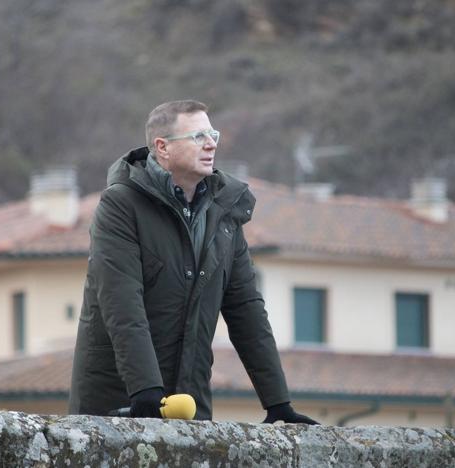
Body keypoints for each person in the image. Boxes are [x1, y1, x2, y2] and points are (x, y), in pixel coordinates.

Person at [68, 100, 317, 424]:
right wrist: (145, 390)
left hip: (190, 405)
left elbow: (247, 312)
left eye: (212, 133)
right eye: (198, 136)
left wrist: (278, 404)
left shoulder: (225, 213)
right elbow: (122, 305)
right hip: (117, 404)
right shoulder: (120, 206)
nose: (211, 143)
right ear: (163, 147)